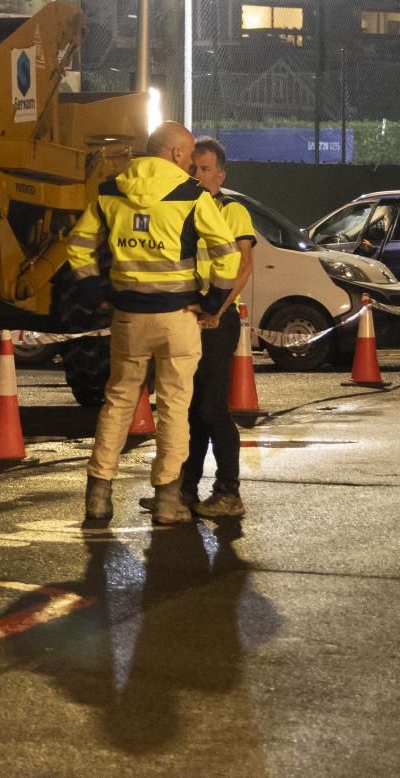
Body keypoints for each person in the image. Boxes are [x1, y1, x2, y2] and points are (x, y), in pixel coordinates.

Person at [67, 121, 240, 525]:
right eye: (189, 155)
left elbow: (78, 246)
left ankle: (98, 495)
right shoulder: (191, 195)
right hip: (178, 317)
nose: (191, 164)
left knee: (118, 401)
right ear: (177, 153)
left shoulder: (110, 191)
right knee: (175, 407)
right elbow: (226, 253)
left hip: (128, 317)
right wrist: (211, 304)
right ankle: (166, 500)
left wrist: (96, 294)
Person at [179, 137, 256, 518]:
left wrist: (215, 311)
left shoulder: (231, 210)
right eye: (193, 168)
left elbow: (242, 267)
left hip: (216, 319)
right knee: (191, 411)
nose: (198, 174)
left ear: (220, 175)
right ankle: (185, 491)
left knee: (212, 409)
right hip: (191, 318)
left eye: (205, 169)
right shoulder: (186, 207)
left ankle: (229, 492)